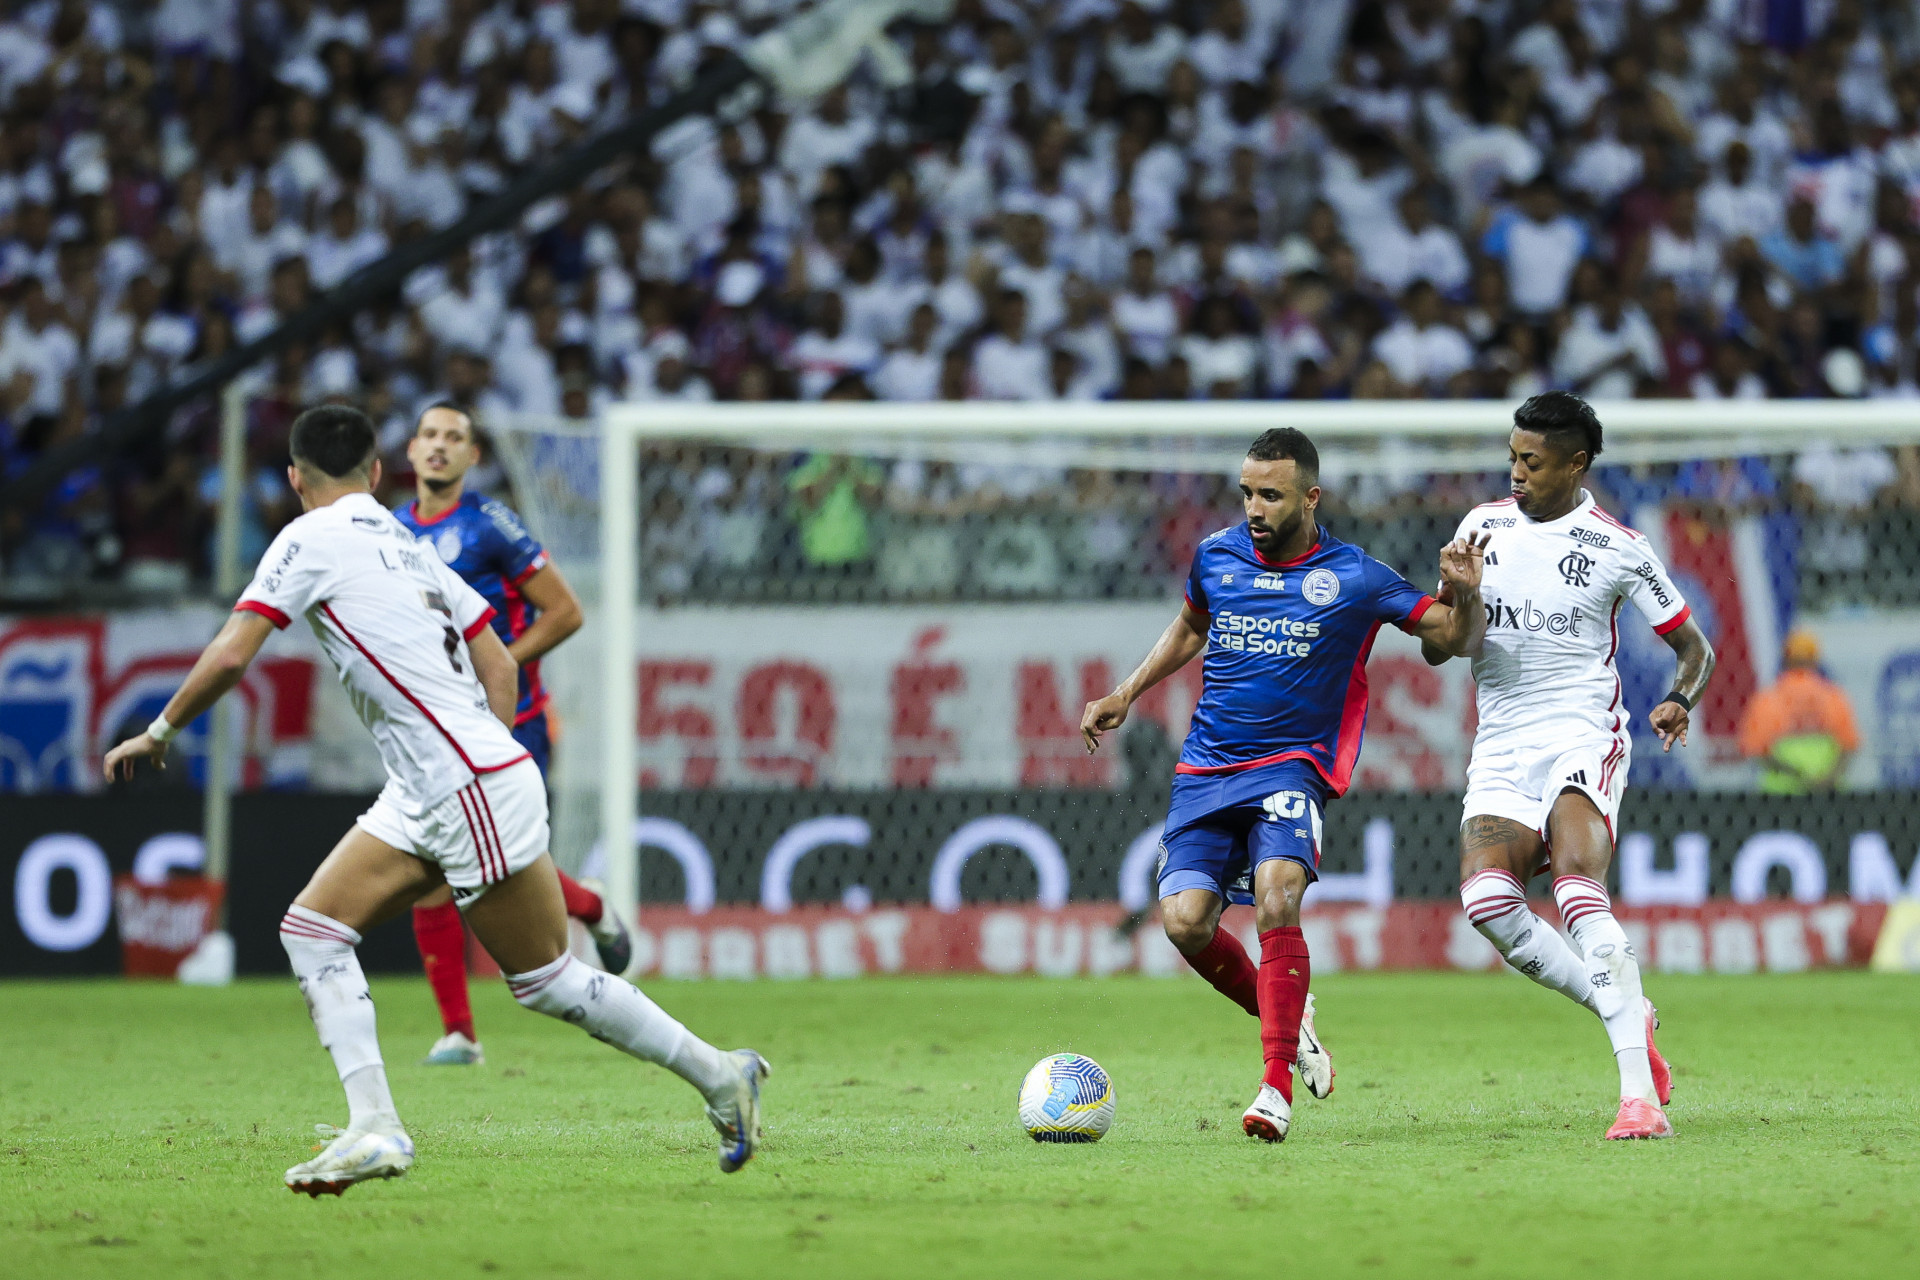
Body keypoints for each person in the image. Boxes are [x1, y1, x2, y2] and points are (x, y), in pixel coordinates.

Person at [103, 406, 769, 1194]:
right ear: (379, 473)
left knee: (546, 981)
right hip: (440, 783)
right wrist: (472, 745)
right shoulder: (405, 541)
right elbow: (499, 659)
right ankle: (374, 1127)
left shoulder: (307, 538)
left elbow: (230, 653)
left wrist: (161, 729)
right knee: (312, 930)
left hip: (463, 783)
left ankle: (721, 1074)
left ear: (293, 479)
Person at [1080, 428, 1489, 1143]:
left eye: (1270, 494)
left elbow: (1449, 637)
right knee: (1184, 923)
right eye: (1246, 492)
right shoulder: (1216, 556)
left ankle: (1273, 1088)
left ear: (1310, 497)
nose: (1254, 507)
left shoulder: (1356, 576)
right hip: (1208, 765)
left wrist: (1464, 592)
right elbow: (1189, 627)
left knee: (1277, 895)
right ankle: (1293, 1026)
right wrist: (1128, 691)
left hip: (1293, 764)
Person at [1423, 391, 1715, 1141]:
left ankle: (1637, 1098)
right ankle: (1625, 1006)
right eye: (1513, 458)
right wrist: (1462, 595)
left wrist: (1680, 699)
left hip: (1583, 733)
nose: (1516, 473)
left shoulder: (1618, 545)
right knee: (1487, 903)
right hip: (1501, 743)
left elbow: (1695, 649)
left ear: (1576, 464)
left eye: (1534, 461)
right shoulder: (1479, 530)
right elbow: (1442, 647)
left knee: (1579, 887)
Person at [392, 402, 634, 1067]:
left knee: (503, 865)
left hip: (513, 722)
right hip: (437, 731)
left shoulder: (490, 524)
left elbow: (565, 612)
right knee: (437, 867)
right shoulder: (389, 531)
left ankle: (586, 904)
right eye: (430, 436)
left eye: (456, 439)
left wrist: (499, 666)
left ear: (473, 457)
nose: (440, 447)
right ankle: (460, 1035)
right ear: (410, 452)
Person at [1737, 629, 1859, 793]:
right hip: (1828, 794)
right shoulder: (1834, 696)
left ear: (1786, 659)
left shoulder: (1768, 699)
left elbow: (1756, 750)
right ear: (1816, 660)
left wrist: (1798, 777)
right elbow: (1849, 747)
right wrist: (1827, 779)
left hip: (1782, 795)